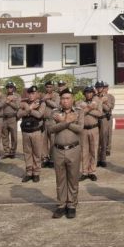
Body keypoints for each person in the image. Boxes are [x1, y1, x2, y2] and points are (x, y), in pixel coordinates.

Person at [48, 90, 83, 219]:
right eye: (63, 98)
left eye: (68, 98)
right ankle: (61, 205)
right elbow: (51, 129)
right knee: (60, 179)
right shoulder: (54, 112)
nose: (65, 101)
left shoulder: (78, 112)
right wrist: (67, 121)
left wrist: (62, 122)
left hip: (73, 149)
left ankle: (71, 205)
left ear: (72, 99)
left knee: (73, 178)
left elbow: (80, 128)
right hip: (58, 150)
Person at [18, 86, 46, 183]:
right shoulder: (24, 103)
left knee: (37, 153)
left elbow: (39, 114)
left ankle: (36, 173)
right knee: (27, 153)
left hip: (36, 131)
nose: (31, 95)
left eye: (33, 93)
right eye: (29, 93)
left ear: (37, 94)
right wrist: (29, 107)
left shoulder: (41, 103)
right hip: (25, 131)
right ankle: (29, 172)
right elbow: (18, 114)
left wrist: (28, 110)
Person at [77, 86, 102, 181]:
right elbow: (78, 114)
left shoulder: (98, 102)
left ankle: (92, 172)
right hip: (83, 129)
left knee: (93, 151)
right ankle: (85, 172)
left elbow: (99, 114)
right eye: (87, 92)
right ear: (84, 94)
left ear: (93, 93)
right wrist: (90, 108)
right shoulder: (80, 103)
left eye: (90, 92)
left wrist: (87, 109)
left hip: (94, 128)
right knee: (84, 151)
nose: (88, 94)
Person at [41, 81, 60, 168]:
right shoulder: (43, 95)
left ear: (53, 87)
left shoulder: (56, 95)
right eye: (47, 87)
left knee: (53, 140)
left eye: (50, 86)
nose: (48, 88)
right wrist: (44, 98)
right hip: (43, 121)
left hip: (52, 121)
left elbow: (57, 105)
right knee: (43, 141)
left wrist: (47, 100)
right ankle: (45, 158)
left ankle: (52, 159)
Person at [97, 81, 116, 166]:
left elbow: (109, 108)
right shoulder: (95, 96)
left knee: (105, 138)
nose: (103, 89)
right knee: (97, 140)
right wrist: (101, 101)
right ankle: (97, 159)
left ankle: (103, 158)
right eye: (102, 87)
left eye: (105, 87)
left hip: (105, 118)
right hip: (97, 118)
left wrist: (100, 102)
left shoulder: (110, 97)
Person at [1, 81, 21, 159]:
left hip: (12, 118)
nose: (9, 88)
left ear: (13, 88)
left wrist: (9, 102)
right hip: (4, 118)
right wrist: (7, 100)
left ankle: (13, 152)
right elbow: (0, 105)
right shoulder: (3, 96)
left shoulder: (17, 96)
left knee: (14, 136)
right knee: (4, 136)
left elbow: (17, 106)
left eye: (11, 87)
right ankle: (6, 152)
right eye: (8, 87)